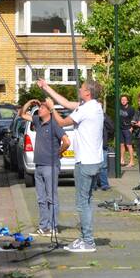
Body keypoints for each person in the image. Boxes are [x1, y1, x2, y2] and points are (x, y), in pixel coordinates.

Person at [38, 78, 104, 253]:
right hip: (95, 161)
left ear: (88, 93)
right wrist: (47, 87)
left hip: (84, 162)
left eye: (81, 88)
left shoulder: (85, 110)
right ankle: (85, 238)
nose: (79, 90)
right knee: (87, 201)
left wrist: (52, 109)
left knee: (82, 203)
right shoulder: (96, 106)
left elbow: (61, 122)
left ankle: (88, 241)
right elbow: (66, 103)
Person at [18, 98, 70, 236]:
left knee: (51, 198)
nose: (39, 110)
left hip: (50, 166)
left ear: (48, 110)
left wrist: (59, 152)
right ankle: (43, 226)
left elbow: (67, 141)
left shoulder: (55, 124)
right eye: (39, 107)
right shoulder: (37, 121)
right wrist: (30, 102)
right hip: (39, 165)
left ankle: (53, 227)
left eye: (41, 108)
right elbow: (22, 114)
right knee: (41, 198)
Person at [97, 98, 115, 191]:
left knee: (103, 165)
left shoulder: (105, 117)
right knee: (93, 166)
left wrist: (104, 118)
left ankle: (104, 184)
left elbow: (112, 128)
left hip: (103, 144)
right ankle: (94, 185)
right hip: (93, 146)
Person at [118, 94, 136, 167]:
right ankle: (122, 160)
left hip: (128, 129)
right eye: (122, 100)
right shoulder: (119, 108)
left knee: (128, 145)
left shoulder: (131, 109)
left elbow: (134, 119)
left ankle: (132, 161)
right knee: (121, 144)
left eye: (125, 100)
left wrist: (132, 127)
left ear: (127, 101)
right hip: (120, 128)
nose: (123, 101)